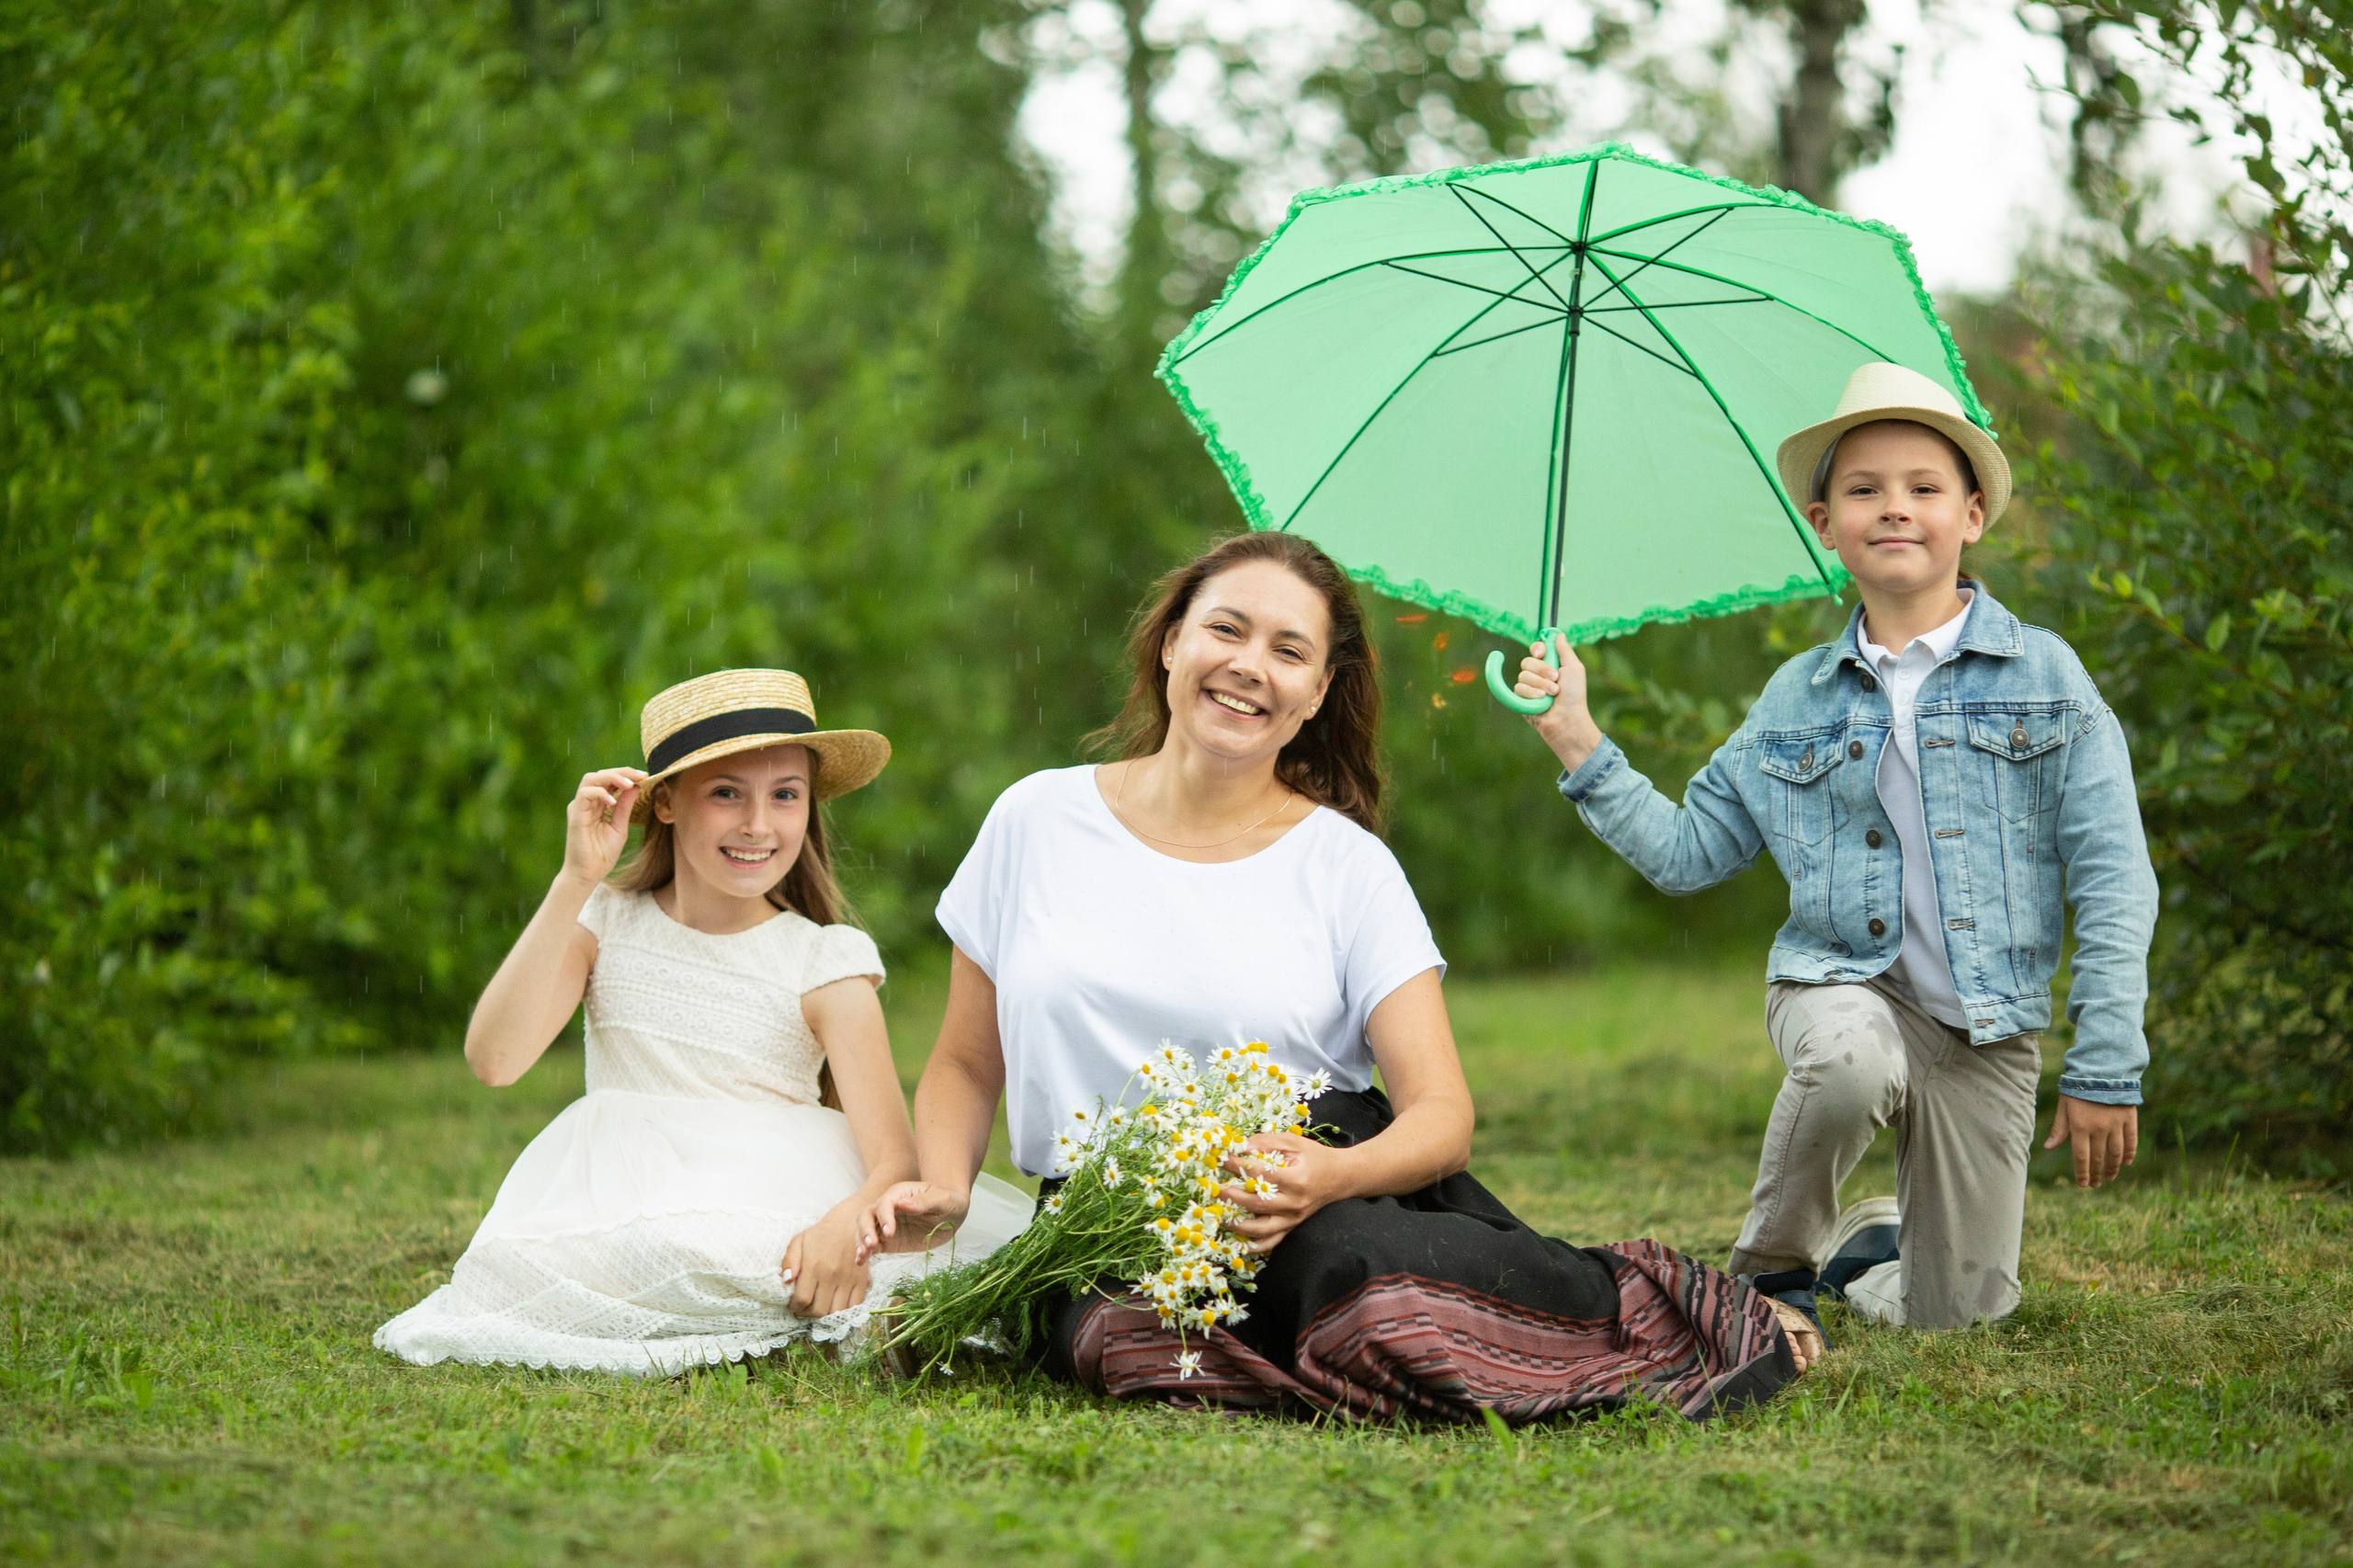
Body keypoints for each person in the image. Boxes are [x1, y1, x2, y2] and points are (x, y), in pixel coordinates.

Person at [859, 532, 1812, 1424]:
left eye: (1286, 649)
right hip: (1107, 1211)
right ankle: (1335, 1349)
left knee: (1359, 1295)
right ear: (1169, 646)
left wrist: (1330, 1175)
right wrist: (943, 1184)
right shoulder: (1036, 818)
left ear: (1316, 693)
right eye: (1225, 629)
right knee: (1119, 1347)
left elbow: (1441, 1114)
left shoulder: (1344, 865)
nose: (1247, 665)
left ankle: (1638, 1301)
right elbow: (964, 1059)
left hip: (1316, 1194)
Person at [1510, 362, 2159, 1332]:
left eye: (1923, 487)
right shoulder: (1794, 699)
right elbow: (1690, 852)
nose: (1893, 508)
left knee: (1962, 1316)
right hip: (1839, 984)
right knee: (1852, 1054)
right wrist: (1576, 737)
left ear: (1971, 515)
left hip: (1986, 1029)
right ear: (1824, 522)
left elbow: (2114, 876)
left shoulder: (2047, 679)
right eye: (1863, 489)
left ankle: (1870, 1252)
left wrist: (2104, 1060)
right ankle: (1769, 1272)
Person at [375, 669, 1028, 1375]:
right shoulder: (605, 925)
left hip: (776, 1186)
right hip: (624, 1184)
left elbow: (895, 1163)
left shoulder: (823, 962)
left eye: (785, 796)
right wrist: (576, 879)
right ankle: (763, 1309)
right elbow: (494, 1060)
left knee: (759, 1255)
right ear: (664, 806)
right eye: (726, 794)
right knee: (573, 1259)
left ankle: (795, 1302)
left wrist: (843, 1223)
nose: (758, 824)